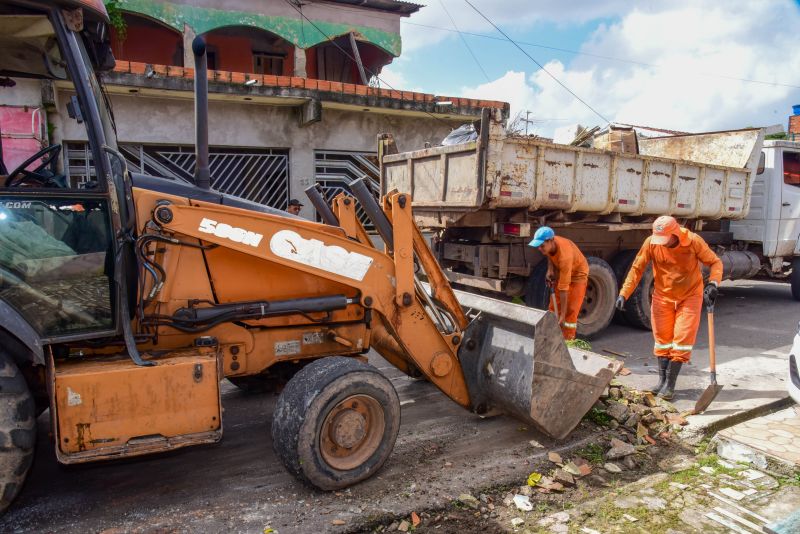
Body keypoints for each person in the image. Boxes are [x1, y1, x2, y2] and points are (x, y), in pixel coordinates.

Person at [616, 215, 722, 400]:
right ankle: (662, 382)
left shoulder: (693, 241)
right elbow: (637, 269)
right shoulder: (651, 243)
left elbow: (715, 262)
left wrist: (713, 283)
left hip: (689, 296)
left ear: (675, 234)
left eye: (666, 240)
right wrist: (623, 293)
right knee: (662, 341)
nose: (662, 244)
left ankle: (670, 385)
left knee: (681, 341)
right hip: (662, 296)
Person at [528, 226, 589, 340]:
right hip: (562, 269)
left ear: (551, 241)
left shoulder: (565, 257)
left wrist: (562, 315)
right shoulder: (550, 244)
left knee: (570, 311)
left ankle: (567, 341)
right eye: (538, 246)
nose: (540, 249)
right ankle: (551, 337)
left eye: (542, 246)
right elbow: (549, 254)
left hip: (578, 275)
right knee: (553, 307)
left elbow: (563, 289)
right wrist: (550, 270)